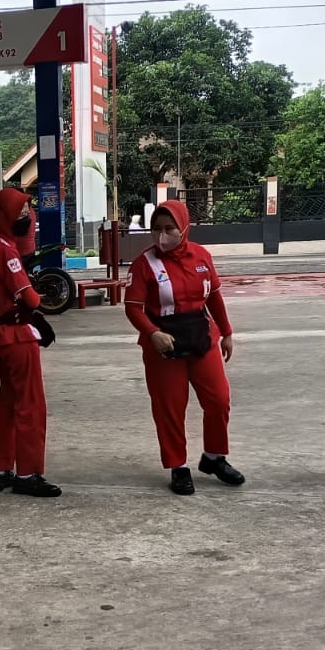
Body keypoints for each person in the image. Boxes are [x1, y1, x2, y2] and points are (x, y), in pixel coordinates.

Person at [124, 200, 243, 496]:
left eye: (169, 228)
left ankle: (214, 457)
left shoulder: (201, 256)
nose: (162, 235)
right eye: (156, 229)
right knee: (170, 407)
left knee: (218, 399)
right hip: (164, 343)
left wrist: (227, 332)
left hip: (201, 336)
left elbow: (214, 297)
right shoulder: (144, 264)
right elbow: (133, 308)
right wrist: (152, 333)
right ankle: (178, 466)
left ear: (184, 227)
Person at [0, 187, 60, 499]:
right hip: (17, 335)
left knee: (8, 401)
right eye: (21, 214)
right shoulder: (5, 251)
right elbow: (30, 298)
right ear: (6, 217)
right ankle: (28, 473)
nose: (26, 218)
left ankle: (0, 470)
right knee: (30, 404)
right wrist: (37, 296)